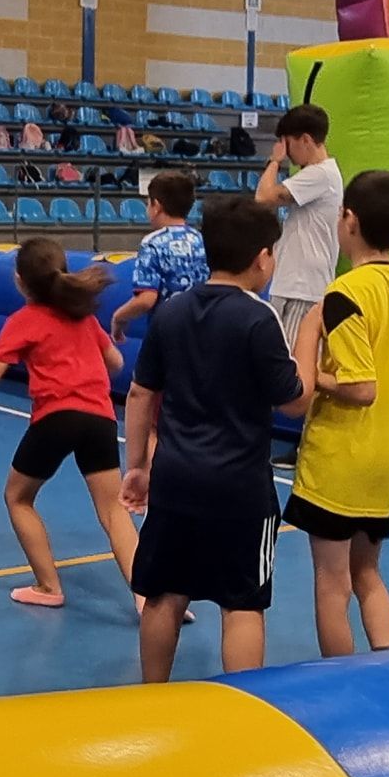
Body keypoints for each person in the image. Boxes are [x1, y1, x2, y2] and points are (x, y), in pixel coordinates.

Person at [123, 196, 319, 682]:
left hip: (176, 477)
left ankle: (152, 695)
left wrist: (138, 465)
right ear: (262, 258)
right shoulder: (258, 319)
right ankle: (239, 707)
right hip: (240, 486)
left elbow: (140, 393)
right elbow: (293, 399)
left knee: (165, 594)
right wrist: (310, 346)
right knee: (243, 603)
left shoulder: (170, 313)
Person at [286, 172, 389, 657]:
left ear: (349, 220)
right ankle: (387, 664)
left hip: (340, 460)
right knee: (368, 573)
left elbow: (360, 386)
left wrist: (317, 370)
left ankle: (342, 680)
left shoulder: (344, 294)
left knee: (331, 585)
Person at [0, 239, 141, 609]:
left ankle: (49, 587)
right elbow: (116, 365)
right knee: (114, 510)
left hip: (56, 418)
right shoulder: (83, 317)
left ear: (19, 280)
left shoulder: (23, 321)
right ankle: (147, 598)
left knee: (18, 497)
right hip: (100, 418)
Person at [254, 104, 344, 349]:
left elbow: (263, 198)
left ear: (305, 140)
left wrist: (274, 161)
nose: (287, 153)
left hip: (304, 288)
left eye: (288, 144)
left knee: (292, 364)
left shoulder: (321, 175)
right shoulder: (313, 175)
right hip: (293, 284)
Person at [109, 170, 207, 342]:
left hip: (168, 334)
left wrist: (119, 317)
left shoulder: (153, 243)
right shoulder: (201, 240)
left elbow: (146, 299)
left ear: (156, 206)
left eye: (148, 203)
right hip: (202, 330)